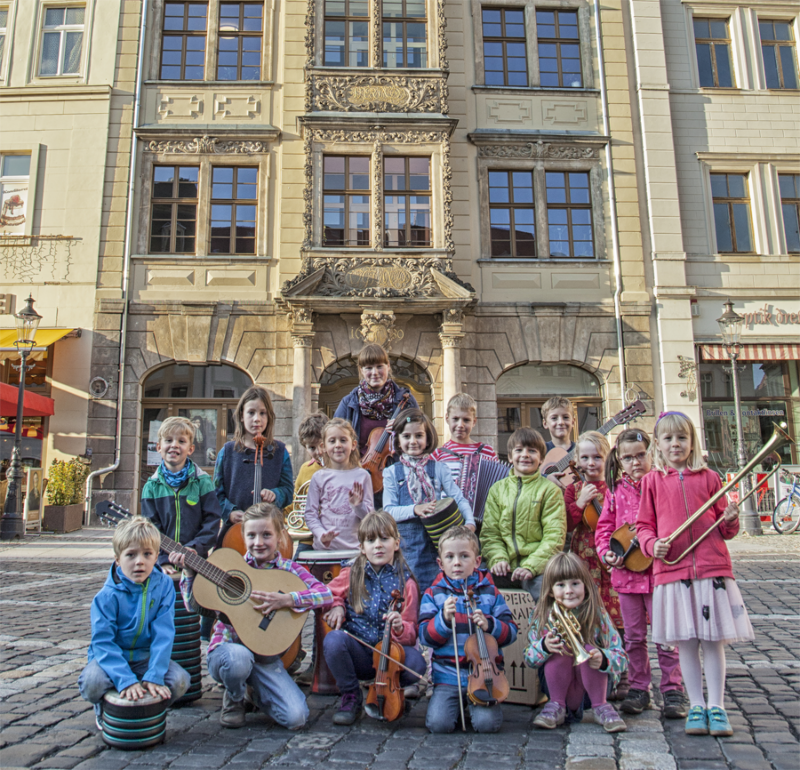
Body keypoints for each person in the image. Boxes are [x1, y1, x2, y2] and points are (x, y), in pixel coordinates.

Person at [636, 411, 754, 738]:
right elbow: (644, 526)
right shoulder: (651, 482)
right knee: (686, 643)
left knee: (713, 641)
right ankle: (697, 704)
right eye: (669, 438)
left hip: (711, 569)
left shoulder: (710, 478)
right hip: (673, 572)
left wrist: (730, 518)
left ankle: (717, 706)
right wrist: (651, 544)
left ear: (692, 442)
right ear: (658, 444)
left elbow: (726, 530)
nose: (676, 444)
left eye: (682, 438)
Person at [180, 503, 333, 729]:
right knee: (239, 659)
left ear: (281, 537)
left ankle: (254, 691)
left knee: (296, 717)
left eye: (266, 535)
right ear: (243, 536)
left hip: (265, 656)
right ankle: (234, 698)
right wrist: (189, 572)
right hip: (228, 651)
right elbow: (194, 606)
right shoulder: (229, 567)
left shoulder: (289, 569)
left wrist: (289, 599)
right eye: (251, 535)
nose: (258, 542)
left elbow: (325, 594)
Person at [595, 429, 687, 719]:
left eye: (640, 455)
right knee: (634, 637)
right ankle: (639, 688)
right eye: (628, 457)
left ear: (651, 453)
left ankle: (673, 690)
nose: (635, 462)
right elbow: (604, 529)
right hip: (627, 576)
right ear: (619, 461)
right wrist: (606, 552)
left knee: (665, 635)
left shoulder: (664, 484)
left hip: (660, 573)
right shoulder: (614, 490)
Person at [78, 517, 190, 728]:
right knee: (92, 684)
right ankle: (107, 709)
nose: (140, 561)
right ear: (118, 560)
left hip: (145, 658)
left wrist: (155, 674)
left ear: (157, 556)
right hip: (110, 659)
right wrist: (124, 679)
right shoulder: (106, 597)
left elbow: (164, 634)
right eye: (131, 554)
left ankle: (148, 709)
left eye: (147, 554)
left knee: (180, 681)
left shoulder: (164, 585)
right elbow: (103, 643)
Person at [322, 510, 426, 725]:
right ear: (362, 547)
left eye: (384, 539)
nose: (378, 545)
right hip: (359, 652)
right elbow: (327, 594)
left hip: (389, 656)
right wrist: (338, 605)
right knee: (333, 641)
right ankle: (351, 696)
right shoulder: (352, 573)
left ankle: (390, 690)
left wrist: (399, 627)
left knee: (416, 664)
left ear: (396, 544)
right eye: (371, 540)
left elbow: (411, 633)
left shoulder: (407, 582)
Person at [418, 525, 517, 734]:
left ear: (477, 561)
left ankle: (477, 706)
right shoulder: (433, 594)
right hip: (448, 678)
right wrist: (443, 620)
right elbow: (425, 636)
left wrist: (491, 624)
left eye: (464, 556)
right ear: (440, 563)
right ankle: (456, 704)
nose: (457, 563)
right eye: (450, 557)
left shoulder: (491, 592)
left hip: (485, 678)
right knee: (439, 725)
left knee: (486, 725)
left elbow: (511, 631)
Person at [525, 552, 628, 732]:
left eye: (575, 583)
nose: (569, 591)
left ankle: (601, 706)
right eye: (561, 585)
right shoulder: (541, 616)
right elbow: (529, 659)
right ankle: (556, 704)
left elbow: (621, 658)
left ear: (585, 586)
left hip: (592, 690)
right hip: (556, 686)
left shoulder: (598, 615)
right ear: (550, 589)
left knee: (588, 649)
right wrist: (543, 647)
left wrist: (603, 658)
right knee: (559, 647)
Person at [383, 408, 474, 590]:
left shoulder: (439, 468)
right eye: (407, 436)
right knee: (411, 591)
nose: (413, 441)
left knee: (438, 589)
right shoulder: (392, 472)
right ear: (398, 441)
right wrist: (415, 509)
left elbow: (458, 497)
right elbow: (388, 511)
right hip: (408, 547)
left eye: (419, 435)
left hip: (437, 542)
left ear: (427, 439)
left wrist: (469, 521)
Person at [481, 427, 566, 601]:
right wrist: (498, 558)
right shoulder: (497, 489)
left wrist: (531, 566)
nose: (525, 455)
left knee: (546, 597)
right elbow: (490, 533)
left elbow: (554, 536)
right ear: (510, 456)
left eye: (532, 451)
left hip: (537, 568)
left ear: (541, 459)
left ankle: (546, 628)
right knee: (479, 589)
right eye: (519, 450)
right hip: (504, 566)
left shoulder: (549, 490)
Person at [334, 344, 418, 506]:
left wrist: (403, 424)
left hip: (400, 476)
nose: (375, 373)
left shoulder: (405, 399)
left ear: (388, 366)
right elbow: (334, 436)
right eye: (369, 368)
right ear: (361, 370)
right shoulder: (349, 403)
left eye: (380, 366)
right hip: (360, 475)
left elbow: (420, 427)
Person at [141, 416, 222, 573]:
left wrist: (195, 548)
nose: (174, 445)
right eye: (169, 440)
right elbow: (150, 530)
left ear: (190, 449)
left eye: (181, 441)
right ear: (158, 447)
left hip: (197, 563)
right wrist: (163, 560)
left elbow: (212, 521)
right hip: (162, 567)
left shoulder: (202, 482)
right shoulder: (151, 487)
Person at [214, 386, 293, 542]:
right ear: (242, 416)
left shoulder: (280, 452)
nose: (257, 419)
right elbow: (216, 493)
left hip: (270, 535)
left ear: (269, 417)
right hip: (235, 533)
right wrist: (229, 512)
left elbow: (288, 491)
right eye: (251, 413)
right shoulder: (227, 452)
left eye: (262, 413)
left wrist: (276, 494)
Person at [564, 431, 623, 629]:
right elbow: (568, 525)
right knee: (587, 602)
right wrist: (580, 503)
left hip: (611, 553)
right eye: (585, 457)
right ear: (577, 460)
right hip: (584, 555)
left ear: (607, 459)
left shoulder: (616, 488)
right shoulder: (574, 490)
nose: (591, 463)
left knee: (615, 605)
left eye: (598, 457)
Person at [304, 418, 374, 551]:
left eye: (343, 440)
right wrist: (321, 534)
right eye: (332, 441)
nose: (338, 445)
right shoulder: (319, 477)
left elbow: (370, 518)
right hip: (325, 550)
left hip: (355, 550)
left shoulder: (363, 476)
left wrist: (358, 506)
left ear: (353, 445)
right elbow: (310, 514)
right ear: (323, 447)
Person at [432, 392, 498, 530]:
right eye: (455, 419)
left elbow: (497, 487)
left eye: (466, 420)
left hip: (482, 521)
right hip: (448, 520)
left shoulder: (486, 452)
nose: (460, 425)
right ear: (447, 419)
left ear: (474, 421)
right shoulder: (438, 455)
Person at [293, 411, 329, 497]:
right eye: (312, 448)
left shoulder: (344, 466)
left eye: (322, 445)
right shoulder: (305, 469)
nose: (319, 452)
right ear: (305, 448)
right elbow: (295, 503)